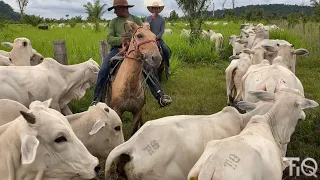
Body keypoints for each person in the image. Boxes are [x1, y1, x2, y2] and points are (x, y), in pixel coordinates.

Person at [92, 0, 172, 107]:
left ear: (123, 8)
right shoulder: (114, 22)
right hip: (118, 50)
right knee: (103, 70)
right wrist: (121, 40)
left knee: (149, 68)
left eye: (116, 9)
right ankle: (96, 100)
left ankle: (160, 96)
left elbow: (145, 33)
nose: (115, 12)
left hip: (135, 50)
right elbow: (109, 38)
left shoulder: (136, 19)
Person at [145, 0, 171, 76]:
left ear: (159, 9)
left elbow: (162, 31)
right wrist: (151, 20)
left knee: (166, 50)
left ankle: (167, 67)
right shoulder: (148, 18)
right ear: (152, 9)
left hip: (158, 39)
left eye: (157, 8)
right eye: (154, 8)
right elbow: (146, 28)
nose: (156, 10)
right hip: (149, 40)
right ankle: (143, 70)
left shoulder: (162, 19)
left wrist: (156, 37)